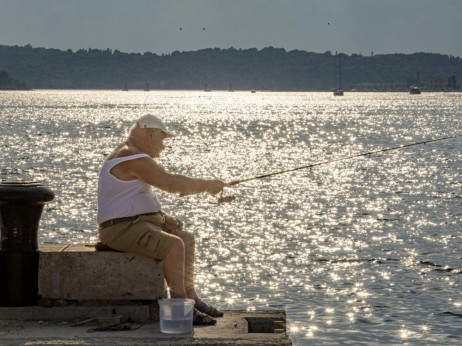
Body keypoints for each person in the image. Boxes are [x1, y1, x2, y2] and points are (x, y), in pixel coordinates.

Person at [97, 114, 230, 325]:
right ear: (150, 134)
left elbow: (132, 197)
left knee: (186, 238)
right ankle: (181, 308)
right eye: (162, 139)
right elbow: (169, 183)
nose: (163, 146)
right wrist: (207, 185)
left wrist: (162, 216)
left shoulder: (131, 154)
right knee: (174, 245)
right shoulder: (132, 157)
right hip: (120, 230)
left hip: (135, 224)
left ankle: (192, 299)